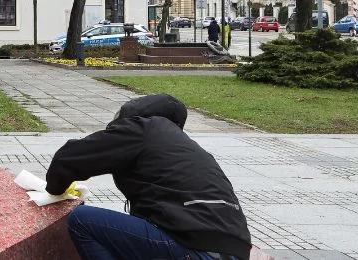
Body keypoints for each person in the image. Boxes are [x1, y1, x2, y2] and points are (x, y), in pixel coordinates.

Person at [46, 94, 252, 260]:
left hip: (192, 246)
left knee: (83, 220)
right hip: (235, 250)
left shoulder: (144, 128)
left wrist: (54, 191)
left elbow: (69, 158)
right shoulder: (190, 148)